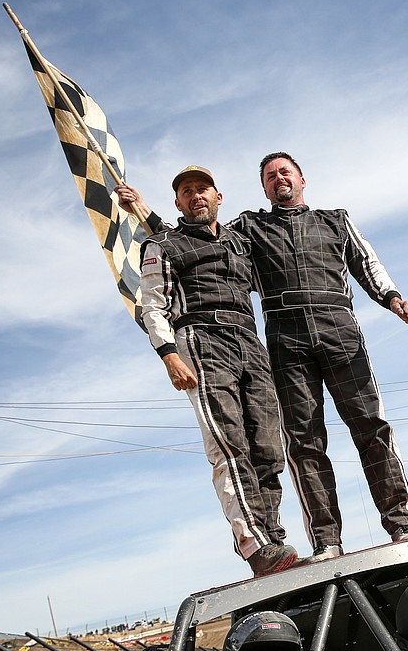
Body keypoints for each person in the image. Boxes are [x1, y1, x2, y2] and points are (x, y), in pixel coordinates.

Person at [231, 152, 408, 561]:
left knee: (371, 424)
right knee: (304, 442)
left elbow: (367, 262)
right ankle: (327, 541)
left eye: (285, 171)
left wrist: (392, 298)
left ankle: (401, 524)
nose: (278, 178)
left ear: (302, 179)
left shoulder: (335, 219)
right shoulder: (249, 228)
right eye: (269, 176)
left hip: (340, 329)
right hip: (285, 338)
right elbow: (208, 241)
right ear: (264, 188)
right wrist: (145, 214)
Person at [119, 169, 296, 577]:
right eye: (186, 192)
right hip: (200, 337)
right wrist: (168, 354)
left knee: (268, 446)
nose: (195, 196)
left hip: (250, 340)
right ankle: (254, 545)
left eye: (202, 189)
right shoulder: (162, 244)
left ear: (219, 196)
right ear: (177, 203)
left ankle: (274, 539)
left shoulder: (238, 241)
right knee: (228, 442)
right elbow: (152, 304)